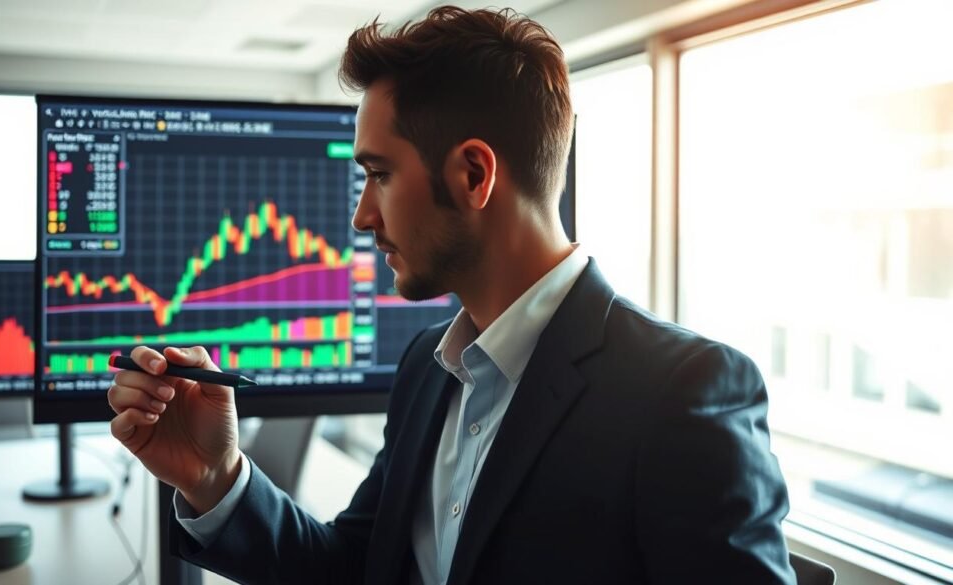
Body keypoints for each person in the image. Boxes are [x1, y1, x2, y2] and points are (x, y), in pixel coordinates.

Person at [107, 6, 797, 584]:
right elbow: (355, 568)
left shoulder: (684, 393)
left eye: (379, 175)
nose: (361, 217)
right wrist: (216, 476)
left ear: (473, 174)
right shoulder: (425, 370)